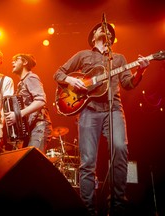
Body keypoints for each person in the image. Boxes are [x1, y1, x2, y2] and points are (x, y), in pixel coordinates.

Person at [53, 21, 150, 216]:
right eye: (100, 28)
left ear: (112, 38)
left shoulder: (119, 58)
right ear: (93, 36)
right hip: (88, 109)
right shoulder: (83, 55)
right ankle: (88, 210)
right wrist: (71, 79)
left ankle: (117, 207)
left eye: (108, 29)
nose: (104, 29)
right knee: (87, 161)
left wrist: (140, 70)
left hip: (113, 107)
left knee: (120, 149)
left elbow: (128, 84)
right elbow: (58, 73)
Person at [4, 53, 53, 154]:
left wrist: (17, 115)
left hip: (39, 125)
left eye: (16, 60)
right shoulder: (21, 83)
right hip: (31, 129)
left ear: (25, 62)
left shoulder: (31, 77)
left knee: (33, 162)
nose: (12, 62)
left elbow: (41, 100)